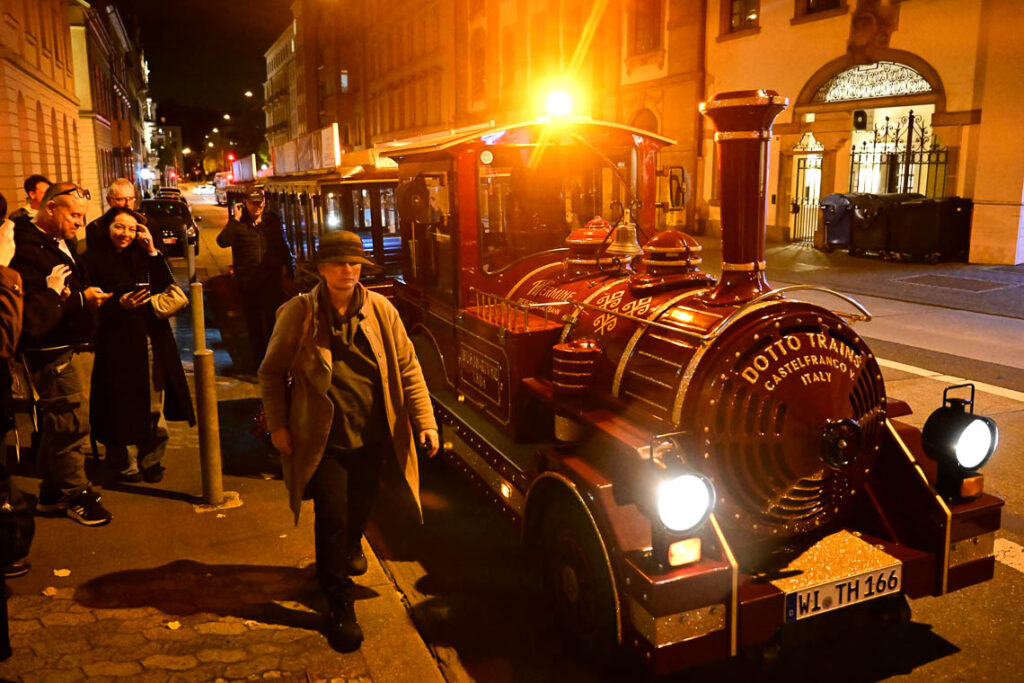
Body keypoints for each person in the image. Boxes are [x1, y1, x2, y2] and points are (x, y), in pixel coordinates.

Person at [258, 230, 439, 653]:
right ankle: (338, 603)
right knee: (333, 518)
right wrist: (278, 425)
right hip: (322, 439)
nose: (348, 271)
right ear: (321, 269)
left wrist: (425, 421)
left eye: (354, 263)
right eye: (338, 263)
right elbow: (270, 371)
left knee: (360, 506)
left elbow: (408, 366)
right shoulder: (300, 312)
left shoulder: (380, 309)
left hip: (372, 431)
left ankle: (351, 543)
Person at [10, 182, 112, 526]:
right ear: (51, 207)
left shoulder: (58, 240)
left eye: (83, 217)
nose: (80, 223)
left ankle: (52, 492)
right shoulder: (25, 248)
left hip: (71, 342)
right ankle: (76, 493)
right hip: (51, 350)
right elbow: (31, 312)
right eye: (75, 215)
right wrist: (79, 299)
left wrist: (82, 297)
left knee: (61, 422)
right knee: (71, 423)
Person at [81, 207, 195, 483]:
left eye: (132, 229)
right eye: (120, 227)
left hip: (149, 337)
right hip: (113, 342)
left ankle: (152, 460)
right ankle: (124, 462)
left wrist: (153, 251)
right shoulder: (90, 260)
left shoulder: (144, 255)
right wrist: (118, 305)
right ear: (107, 227)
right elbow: (86, 306)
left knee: (153, 402)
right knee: (118, 403)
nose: (126, 234)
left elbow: (167, 285)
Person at [216, 188, 294, 370]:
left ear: (264, 203)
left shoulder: (272, 220)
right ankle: (260, 362)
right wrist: (234, 220)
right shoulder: (238, 223)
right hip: (248, 282)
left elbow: (282, 246)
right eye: (253, 203)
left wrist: (290, 273)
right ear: (245, 203)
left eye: (260, 203)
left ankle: (275, 360)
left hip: (271, 279)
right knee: (254, 324)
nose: (257, 207)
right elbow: (223, 241)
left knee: (274, 321)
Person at [85, 178, 138, 247]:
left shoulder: (146, 224)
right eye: (121, 199)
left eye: (131, 198)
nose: (128, 204)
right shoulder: (94, 228)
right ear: (109, 200)